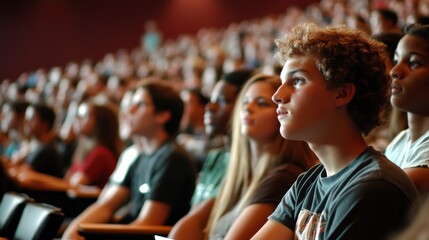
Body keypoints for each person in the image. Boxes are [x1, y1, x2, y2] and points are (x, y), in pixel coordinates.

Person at [252, 23, 418, 240]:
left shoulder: (374, 188)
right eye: (283, 81)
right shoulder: (307, 183)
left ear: (342, 94)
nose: (277, 95)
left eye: (298, 80)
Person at [169, 74, 318, 240]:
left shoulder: (283, 177)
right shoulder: (237, 173)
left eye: (261, 103)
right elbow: (192, 223)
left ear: (281, 113)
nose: (248, 108)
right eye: (245, 102)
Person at [62, 78, 196, 240]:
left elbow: (148, 224)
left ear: (162, 116)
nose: (128, 111)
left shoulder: (172, 158)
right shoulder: (141, 155)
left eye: (140, 105)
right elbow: (106, 206)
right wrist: (73, 231)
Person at [15, 99, 121, 190]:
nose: (77, 119)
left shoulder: (101, 153)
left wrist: (36, 178)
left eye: (83, 116)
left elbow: (73, 186)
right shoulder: (82, 149)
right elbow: (67, 180)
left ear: (100, 122)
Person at [190, 69, 253, 206]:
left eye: (222, 101)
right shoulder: (215, 157)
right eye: (211, 100)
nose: (210, 107)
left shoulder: (250, 164)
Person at [384, 23, 429, 194]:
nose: (394, 71)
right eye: (396, 60)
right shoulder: (400, 140)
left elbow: (376, 193)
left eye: (413, 63)